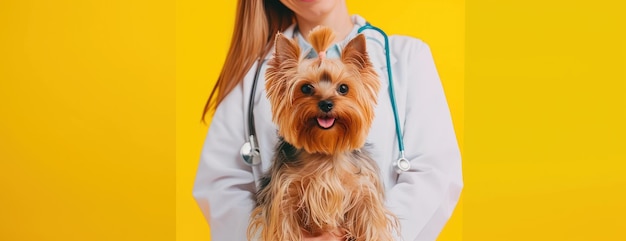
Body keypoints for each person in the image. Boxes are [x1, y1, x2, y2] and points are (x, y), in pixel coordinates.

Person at [193, 0, 463, 240]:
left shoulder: (408, 57)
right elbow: (220, 187)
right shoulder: (251, 72)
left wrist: (371, 235)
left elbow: (436, 174)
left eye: (343, 89)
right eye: (306, 89)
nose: (325, 100)